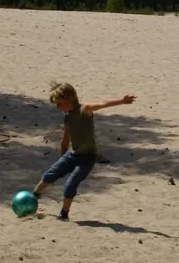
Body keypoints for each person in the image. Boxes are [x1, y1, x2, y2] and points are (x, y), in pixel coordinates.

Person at [32, 82, 136, 220]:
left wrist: (122, 101)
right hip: (71, 155)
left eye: (59, 103)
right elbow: (65, 140)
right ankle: (33, 197)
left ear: (69, 98)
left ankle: (64, 213)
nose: (57, 107)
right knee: (49, 175)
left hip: (87, 158)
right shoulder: (67, 118)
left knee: (70, 184)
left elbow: (102, 104)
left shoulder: (85, 109)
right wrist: (62, 159)